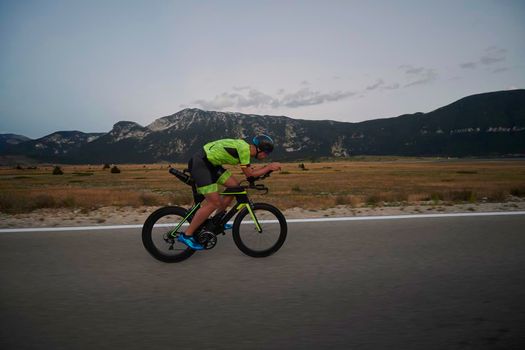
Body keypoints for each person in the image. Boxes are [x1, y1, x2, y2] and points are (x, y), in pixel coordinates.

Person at [177, 134, 281, 250]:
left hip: (212, 165)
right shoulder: (244, 150)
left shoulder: (245, 149)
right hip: (201, 163)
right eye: (266, 154)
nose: (266, 156)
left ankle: (216, 222)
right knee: (213, 203)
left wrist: (265, 171)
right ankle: (187, 235)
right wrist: (269, 167)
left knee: (235, 187)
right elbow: (250, 174)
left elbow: (250, 176)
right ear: (260, 150)